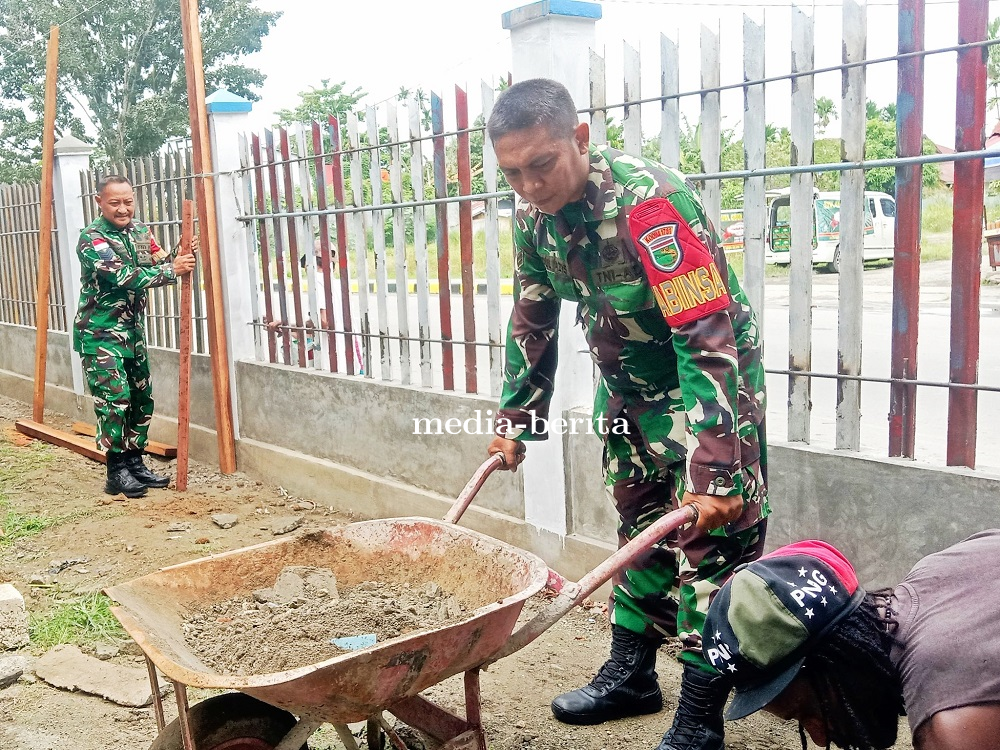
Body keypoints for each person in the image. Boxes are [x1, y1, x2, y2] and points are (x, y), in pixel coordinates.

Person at [484, 78, 769, 750]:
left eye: (542, 165)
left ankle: (700, 712)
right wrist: (516, 417)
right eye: (512, 173)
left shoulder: (651, 206)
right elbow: (532, 315)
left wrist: (718, 461)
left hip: (708, 390)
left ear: (579, 140)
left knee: (707, 543)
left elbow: (705, 334)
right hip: (631, 392)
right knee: (639, 525)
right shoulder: (532, 218)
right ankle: (632, 673)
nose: (528, 185)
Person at [702, 531, 1000, 750]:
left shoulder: (953, 728)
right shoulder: (940, 565)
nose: (819, 738)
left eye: (809, 712)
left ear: (839, 661)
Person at [73, 175, 198, 499]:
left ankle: (135, 461)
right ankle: (116, 471)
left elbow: (155, 261)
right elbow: (124, 276)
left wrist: (179, 253)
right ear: (99, 201)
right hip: (100, 333)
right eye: (115, 202)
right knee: (114, 399)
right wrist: (174, 271)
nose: (123, 208)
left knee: (141, 397)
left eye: (128, 201)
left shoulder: (140, 231)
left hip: (131, 332)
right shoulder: (93, 238)